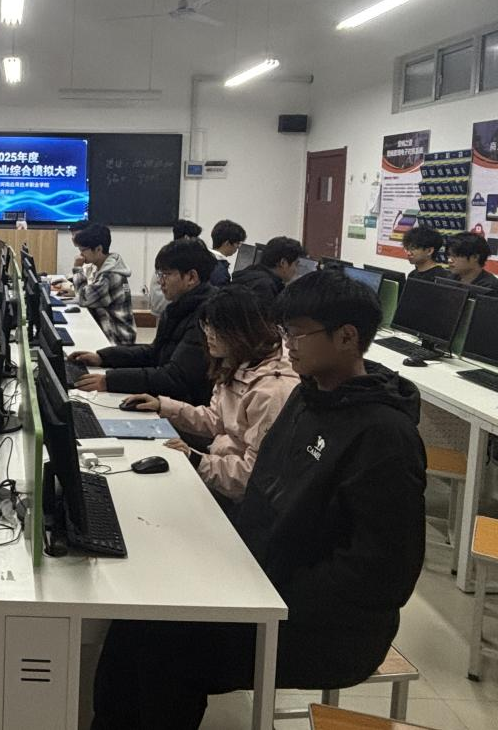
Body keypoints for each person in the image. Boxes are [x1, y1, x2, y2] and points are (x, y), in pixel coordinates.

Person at [91, 271, 426, 729]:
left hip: (323, 625)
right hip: (259, 578)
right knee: (135, 617)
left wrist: (260, 591)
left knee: (165, 650)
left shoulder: (384, 436)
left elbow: (381, 574)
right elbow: (264, 494)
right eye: (284, 331)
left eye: (298, 334)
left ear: (347, 337)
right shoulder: (307, 398)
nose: (287, 346)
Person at [124, 285, 299, 506]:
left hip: (241, 498)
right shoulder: (238, 362)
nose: (208, 335)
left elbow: (252, 476)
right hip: (221, 470)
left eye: (216, 328)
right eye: (206, 326)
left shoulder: (273, 392)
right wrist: (162, 406)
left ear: (241, 331)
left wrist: (197, 460)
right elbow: (217, 419)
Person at [71, 239, 216, 404]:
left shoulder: (207, 316)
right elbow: (154, 353)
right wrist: (103, 357)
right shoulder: (178, 308)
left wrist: (110, 381)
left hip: (188, 408)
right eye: (159, 274)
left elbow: (176, 377)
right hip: (172, 401)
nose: (160, 281)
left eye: (166, 274)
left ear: (191, 277)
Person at [72, 223, 136, 346]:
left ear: (98, 249)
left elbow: (83, 298)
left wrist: (77, 269)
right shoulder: (106, 266)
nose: (80, 255)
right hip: (114, 330)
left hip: (118, 338)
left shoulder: (108, 275)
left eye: (83, 250)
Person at [147, 221, 205, 316]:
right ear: (187, 238)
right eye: (196, 238)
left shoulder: (169, 256)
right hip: (167, 312)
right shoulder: (172, 261)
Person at [231, 235, 306, 305]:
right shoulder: (265, 288)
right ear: (283, 263)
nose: (297, 270)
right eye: (296, 264)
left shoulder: (249, 275)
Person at [445, 232, 498, 299]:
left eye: (455, 256)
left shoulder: (491, 287)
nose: (449, 260)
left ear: (475, 257)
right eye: (449, 255)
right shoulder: (451, 279)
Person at [209, 219, 247, 286]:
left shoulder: (205, 257)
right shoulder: (219, 271)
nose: (238, 247)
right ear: (227, 243)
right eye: (237, 243)